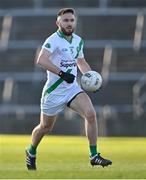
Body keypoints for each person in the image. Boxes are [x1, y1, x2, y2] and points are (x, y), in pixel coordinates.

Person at [25, 8, 112, 170]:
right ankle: (31, 151)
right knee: (45, 127)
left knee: (91, 114)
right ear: (58, 23)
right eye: (65, 20)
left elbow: (81, 62)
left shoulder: (78, 40)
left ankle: (94, 155)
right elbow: (41, 60)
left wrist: (91, 78)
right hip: (53, 92)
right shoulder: (53, 40)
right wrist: (62, 73)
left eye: (72, 20)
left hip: (72, 89)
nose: (69, 23)